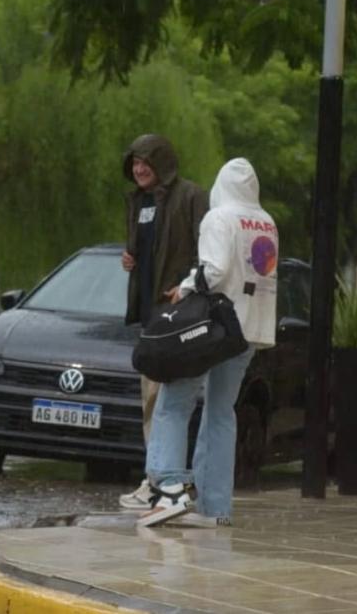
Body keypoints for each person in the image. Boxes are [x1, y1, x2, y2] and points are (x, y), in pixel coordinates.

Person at [138, 157, 278, 528]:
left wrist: (183, 287)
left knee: (172, 402)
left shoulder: (219, 218)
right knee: (221, 413)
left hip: (212, 330)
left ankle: (168, 489)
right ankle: (215, 508)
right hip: (247, 331)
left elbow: (213, 272)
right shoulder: (265, 221)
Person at [118, 134, 208, 510]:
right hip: (150, 318)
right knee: (150, 398)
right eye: (135, 162)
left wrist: (187, 287)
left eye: (146, 162)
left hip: (178, 316)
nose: (139, 169)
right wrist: (130, 260)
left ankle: (161, 481)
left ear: (163, 163)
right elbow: (144, 248)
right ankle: (155, 479)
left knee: (166, 400)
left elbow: (207, 251)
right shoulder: (138, 202)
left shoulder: (190, 196)